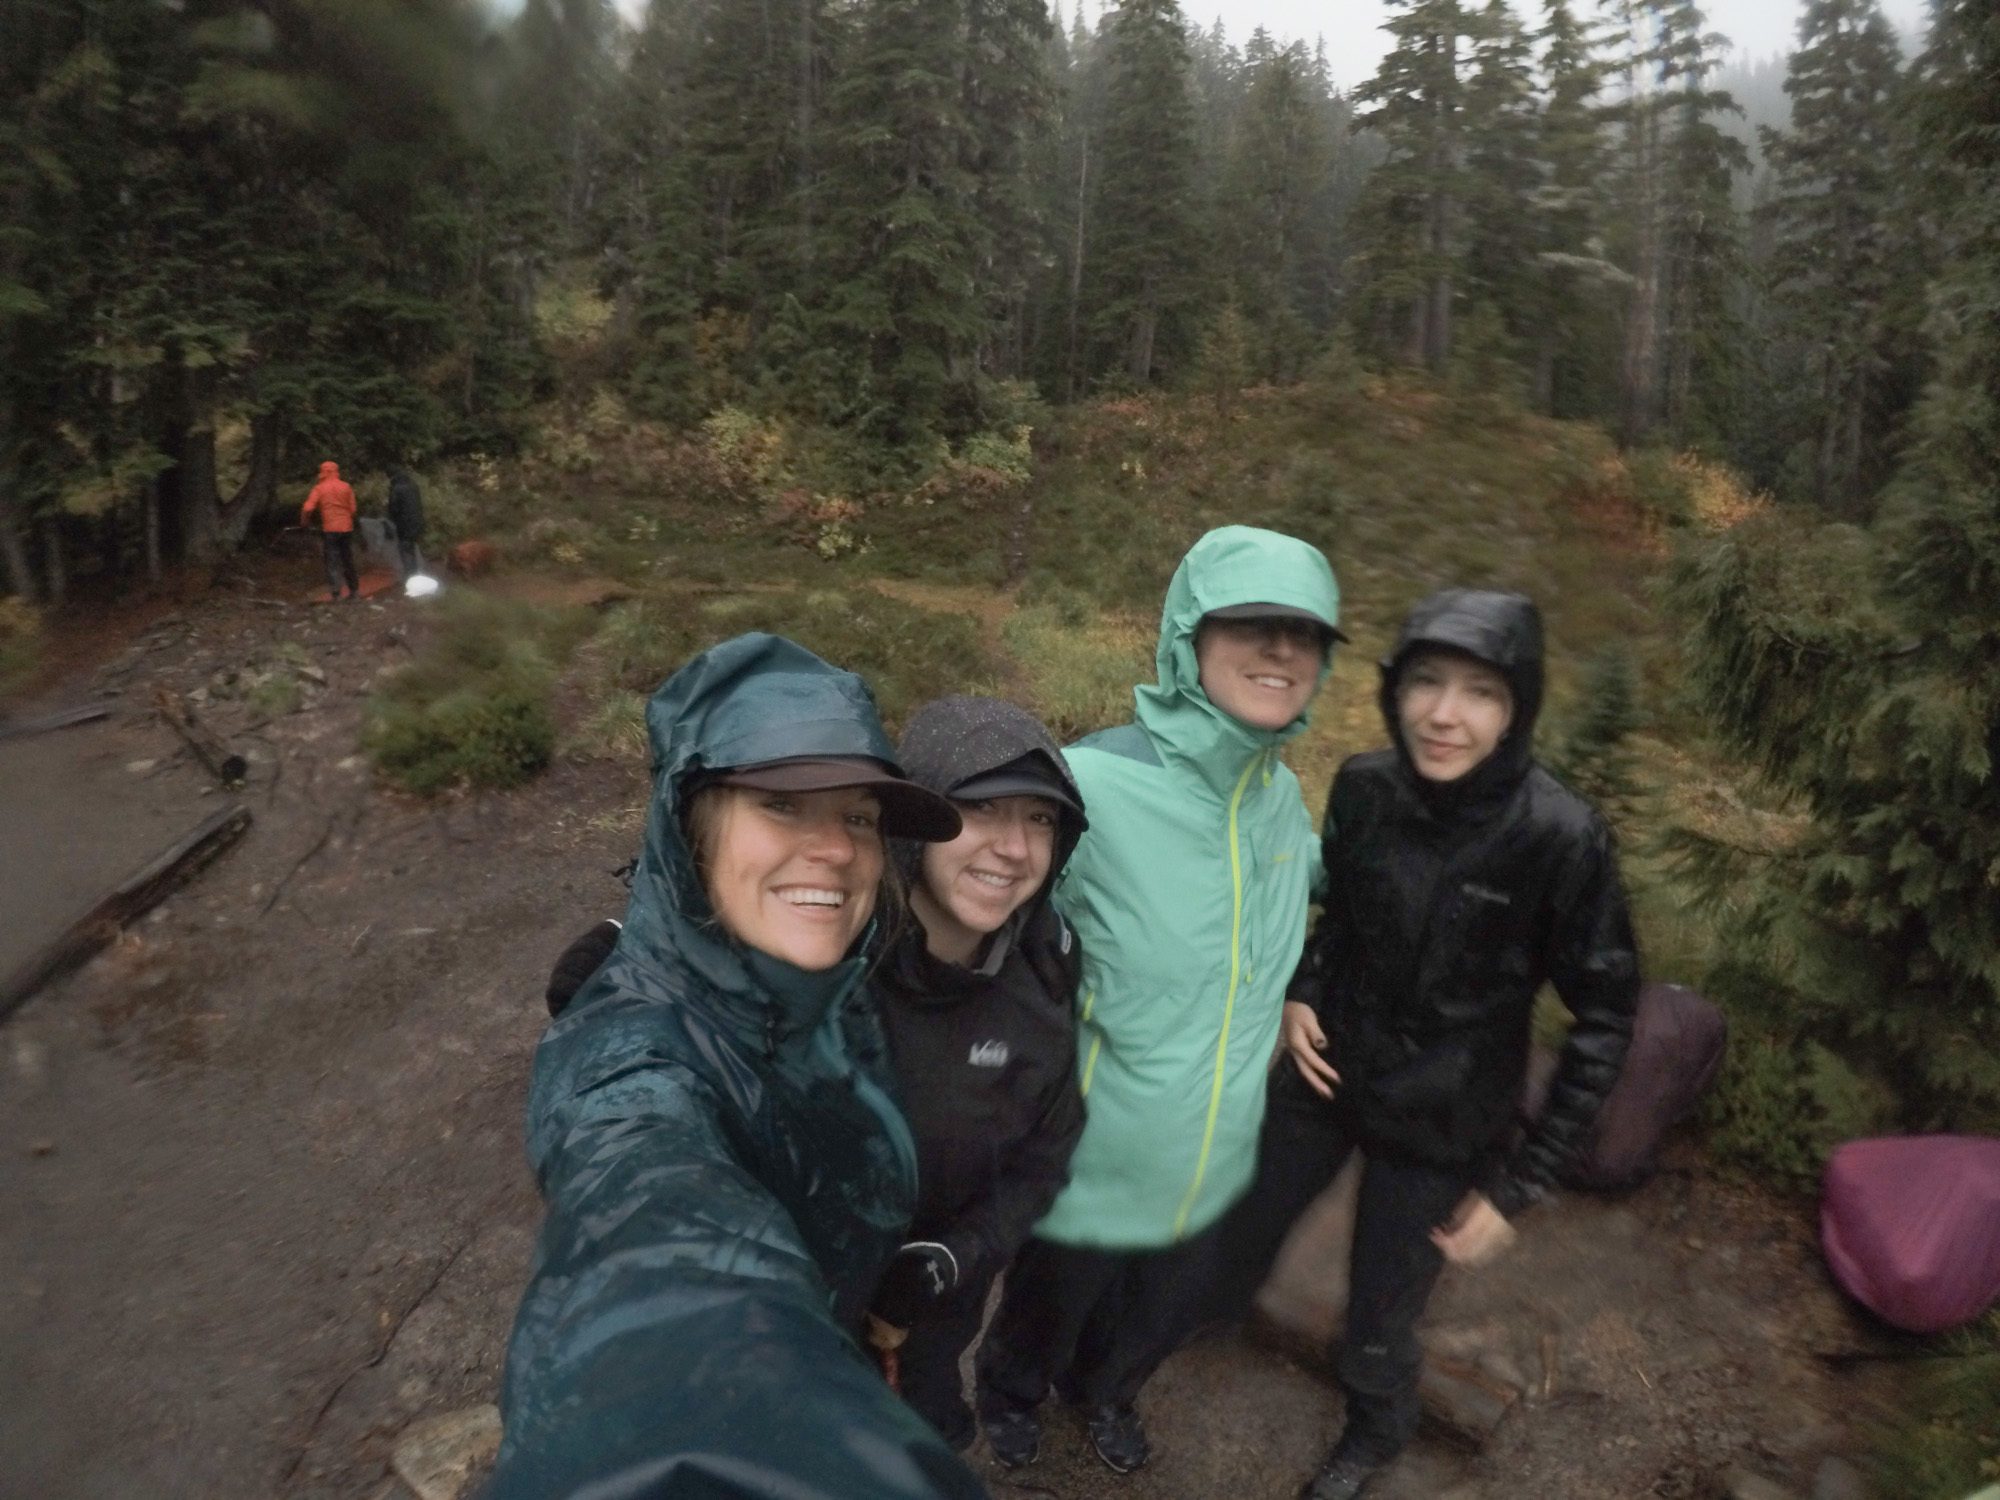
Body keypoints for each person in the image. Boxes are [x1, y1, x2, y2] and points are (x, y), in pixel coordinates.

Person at [487, 632, 985, 1500]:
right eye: (783, 804)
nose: (836, 849)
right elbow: (651, 1239)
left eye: (859, 816)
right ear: (693, 829)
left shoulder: (830, 979)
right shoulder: (631, 1063)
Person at [1219, 589, 1640, 1500]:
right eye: (1425, 682)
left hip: (1447, 1112)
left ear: (1517, 705)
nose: (1445, 714)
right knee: (1246, 1214)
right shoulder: (1366, 787)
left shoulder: (1561, 837)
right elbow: (1340, 921)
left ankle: (1375, 1430)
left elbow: (1605, 1017)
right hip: (1331, 1061)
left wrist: (1519, 1185)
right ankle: (1202, 1320)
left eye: (1480, 691)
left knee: (1379, 1308)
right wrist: (1301, 991)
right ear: (1392, 691)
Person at [975, 524, 1346, 1476]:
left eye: (1302, 634)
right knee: (1052, 1296)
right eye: (1251, 624)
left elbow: (1320, 898)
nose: (1279, 649)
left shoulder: (1279, 801)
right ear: (1188, 636)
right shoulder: (1091, 785)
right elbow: (982, 930)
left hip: (1220, 1153)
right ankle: (1011, 1396)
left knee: (1159, 1308)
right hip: (1096, 1154)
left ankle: (1106, 1393)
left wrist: (1300, 988)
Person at [867, 696, 1090, 1453]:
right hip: (795, 1316)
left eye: (1040, 819)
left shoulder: (1045, 969)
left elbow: (1047, 1153)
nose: (1014, 847)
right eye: (982, 808)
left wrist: (951, 1259)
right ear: (913, 820)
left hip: (937, 1311)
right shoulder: (825, 961)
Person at [300, 460, 359, 600]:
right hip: (346, 528)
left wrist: (304, 522)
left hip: (330, 530)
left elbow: (307, 508)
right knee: (348, 560)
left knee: (332, 561)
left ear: (323, 472)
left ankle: (336, 593)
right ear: (336, 471)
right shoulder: (346, 487)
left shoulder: (319, 488)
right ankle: (354, 592)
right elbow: (353, 510)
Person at [385, 466, 426, 581]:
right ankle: (417, 573)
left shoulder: (396, 489)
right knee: (413, 548)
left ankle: (411, 578)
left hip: (404, 524)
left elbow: (394, 509)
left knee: (405, 550)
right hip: (417, 522)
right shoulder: (413, 485)